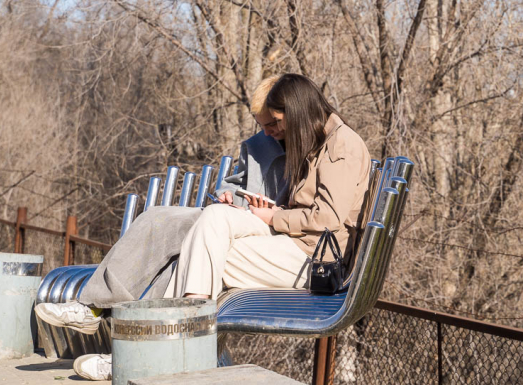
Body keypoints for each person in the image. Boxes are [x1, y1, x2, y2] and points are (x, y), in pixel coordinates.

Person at [34, 75, 289, 380]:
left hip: (263, 236)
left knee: (171, 226)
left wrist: (268, 213)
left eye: (272, 124)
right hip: (229, 220)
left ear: (286, 112)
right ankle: (126, 351)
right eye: (261, 125)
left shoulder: (305, 143)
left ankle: (98, 316)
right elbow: (236, 183)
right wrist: (228, 194)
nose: (268, 132)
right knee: (168, 237)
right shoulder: (259, 145)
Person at [169, 73, 371, 300]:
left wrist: (274, 217)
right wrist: (270, 211)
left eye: (275, 121)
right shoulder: (317, 140)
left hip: (317, 259)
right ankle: (186, 321)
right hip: (297, 241)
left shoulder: (341, 145)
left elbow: (327, 218)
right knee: (216, 216)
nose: (269, 132)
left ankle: (180, 325)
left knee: (203, 256)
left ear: (298, 112)